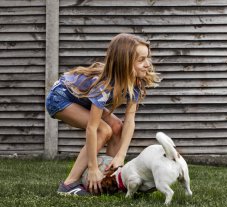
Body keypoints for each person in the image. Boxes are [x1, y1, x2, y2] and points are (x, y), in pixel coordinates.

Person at [45, 33, 160, 196]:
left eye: (147, 58)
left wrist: (121, 156)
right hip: (60, 98)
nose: (148, 64)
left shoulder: (136, 82)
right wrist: (92, 167)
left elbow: (129, 121)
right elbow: (92, 128)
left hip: (82, 99)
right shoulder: (105, 86)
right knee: (103, 130)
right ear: (124, 63)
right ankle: (68, 184)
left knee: (117, 127)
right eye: (141, 60)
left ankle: (109, 179)